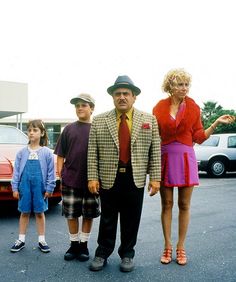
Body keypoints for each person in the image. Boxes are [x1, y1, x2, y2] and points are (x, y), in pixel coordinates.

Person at [152, 68, 235, 265]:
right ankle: (167, 246)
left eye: (187, 84)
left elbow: (198, 137)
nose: (184, 88)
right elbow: (154, 136)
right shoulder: (159, 107)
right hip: (164, 158)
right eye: (180, 84)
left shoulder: (194, 107)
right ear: (170, 86)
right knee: (167, 204)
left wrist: (215, 123)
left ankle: (181, 247)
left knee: (184, 205)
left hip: (186, 158)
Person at [88, 75, 161, 272]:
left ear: (134, 97)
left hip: (134, 176)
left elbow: (155, 150)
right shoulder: (99, 120)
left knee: (131, 218)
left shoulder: (149, 120)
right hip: (108, 176)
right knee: (108, 218)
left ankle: (127, 254)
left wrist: (155, 177)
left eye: (126, 94)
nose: (122, 97)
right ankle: (102, 252)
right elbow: (92, 152)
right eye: (118, 93)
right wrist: (92, 177)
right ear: (112, 97)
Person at [54, 93, 100, 262]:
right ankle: (73, 245)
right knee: (71, 214)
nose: (80, 108)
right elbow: (60, 155)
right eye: (77, 105)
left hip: (91, 181)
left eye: (84, 105)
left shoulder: (97, 129)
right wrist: (61, 176)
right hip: (70, 179)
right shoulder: (68, 129)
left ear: (92, 108)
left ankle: (84, 245)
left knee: (88, 214)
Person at [11, 120, 56, 253]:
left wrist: (49, 188)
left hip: (40, 188)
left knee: (39, 213)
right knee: (24, 212)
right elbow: (17, 172)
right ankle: (21, 240)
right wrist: (15, 188)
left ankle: (42, 240)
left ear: (42, 133)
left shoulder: (47, 153)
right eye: (29, 130)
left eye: (35, 130)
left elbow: (51, 173)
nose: (31, 132)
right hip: (24, 186)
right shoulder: (21, 153)